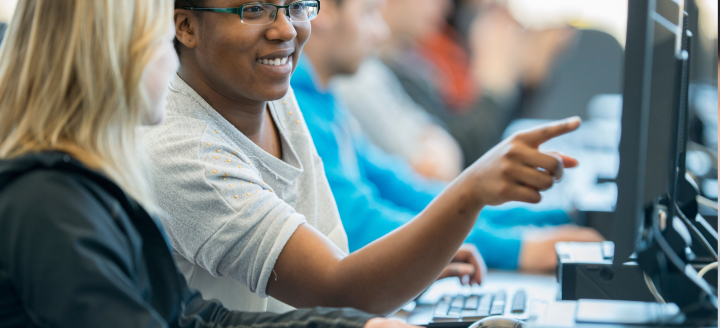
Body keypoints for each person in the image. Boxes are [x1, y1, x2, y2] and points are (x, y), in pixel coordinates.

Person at [138, 0, 584, 316]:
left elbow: (339, 249)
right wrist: (471, 193)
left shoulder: (272, 92)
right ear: (186, 26)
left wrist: (414, 263)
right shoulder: (184, 150)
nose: (286, 29)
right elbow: (336, 288)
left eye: (294, 6)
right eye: (253, 9)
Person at [0, 1, 410, 328]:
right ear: (112, 59)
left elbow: (191, 318)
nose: (173, 63)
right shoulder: (48, 205)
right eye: (161, 42)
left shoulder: (91, 187)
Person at [293, 0, 604, 271]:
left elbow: (405, 191)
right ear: (325, 11)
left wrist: (560, 216)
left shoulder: (324, 100)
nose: (380, 32)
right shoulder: (297, 104)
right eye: (370, 12)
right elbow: (361, 224)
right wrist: (517, 249)